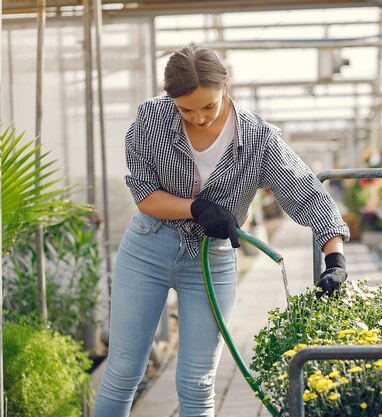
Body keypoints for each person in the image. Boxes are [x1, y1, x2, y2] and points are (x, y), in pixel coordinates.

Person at [93, 45, 350, 417]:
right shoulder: (150, 119)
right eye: (185, 110)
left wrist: (335, 257)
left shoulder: (259, 139)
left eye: (208, 107)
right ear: (171, 99)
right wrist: (194, 208)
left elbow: (307, 194)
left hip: (212, 260)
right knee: (122, 372)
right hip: (148, 248)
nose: (198, 118)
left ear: (225, 85)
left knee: (197, 383)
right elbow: (144, 193)